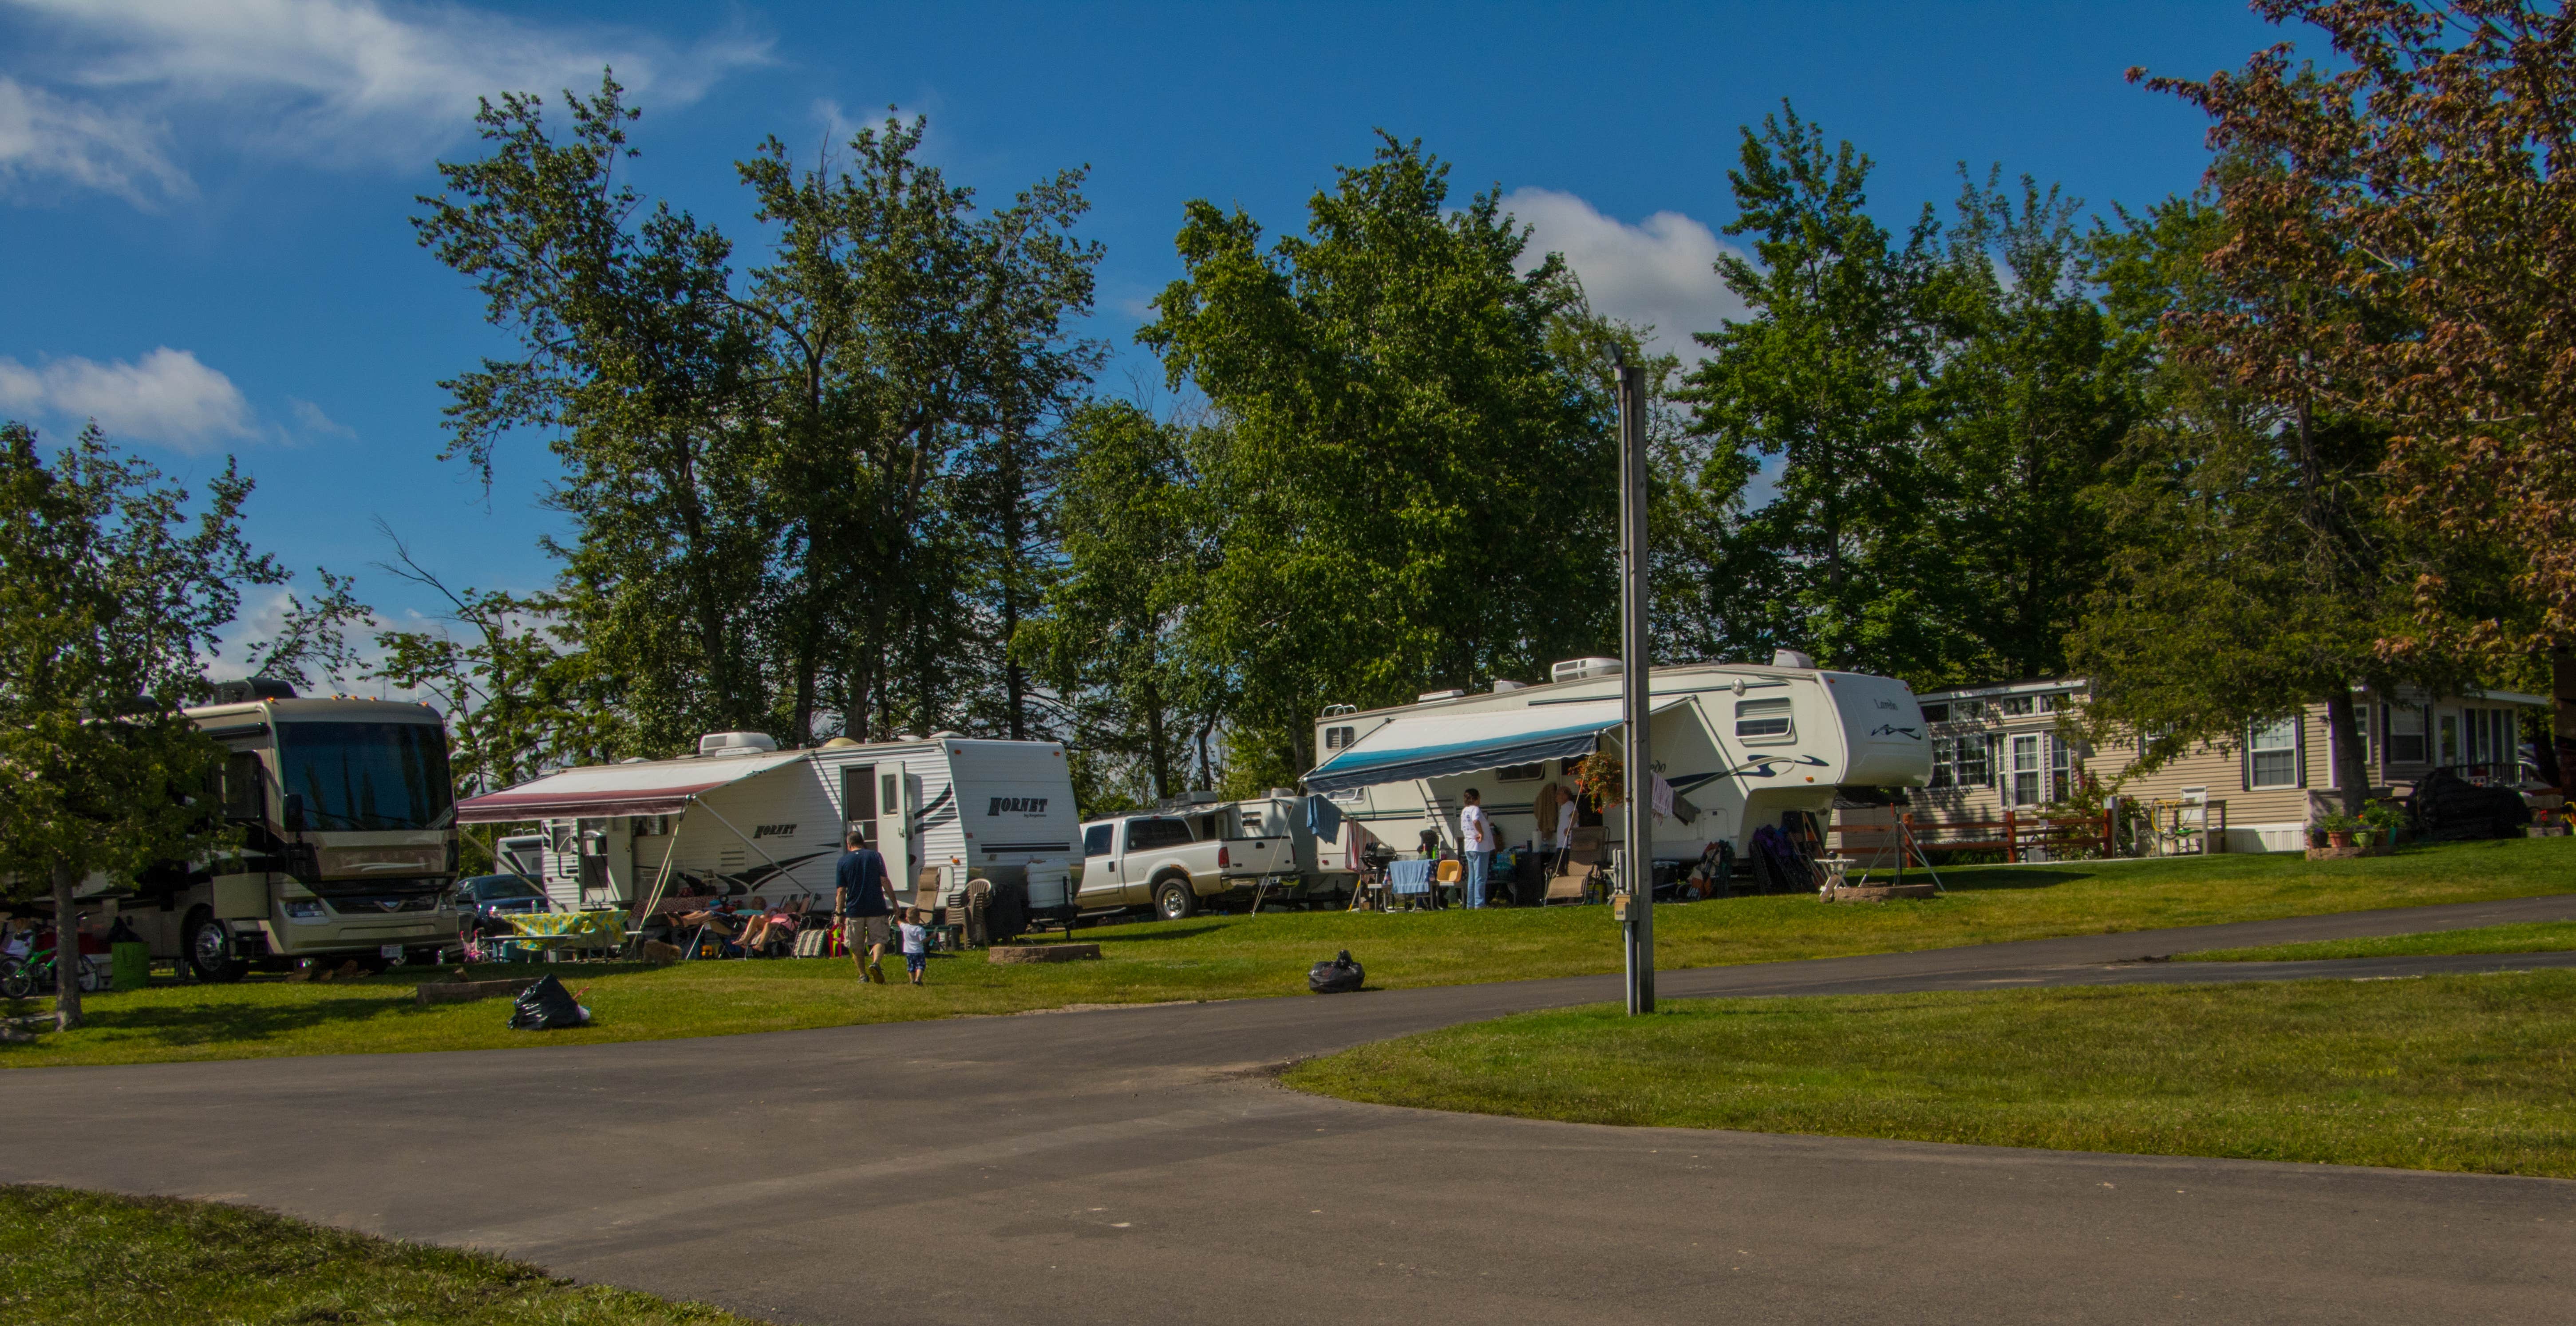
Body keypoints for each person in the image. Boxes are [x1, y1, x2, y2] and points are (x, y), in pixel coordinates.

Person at [835, 826, 894, 984]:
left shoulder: (843, 861)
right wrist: (894, 903)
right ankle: (875, 963)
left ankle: (862, 975)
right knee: (880, 939)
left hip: (855, 909)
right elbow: (884, 881)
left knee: (856, 945)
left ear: (849, 845)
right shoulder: (876, 856)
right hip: (876, 907)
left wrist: (839, 912)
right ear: (863, 843)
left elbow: (841, 890)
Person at [1458, 787, 1493, 909]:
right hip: (1479, 847)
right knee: (1481, 877)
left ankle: (1470, 904)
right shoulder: (1475, 809)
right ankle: (1480, 904)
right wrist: (1481, 833)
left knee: (1472, 877)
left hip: (1469, 846)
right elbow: (1475, 821)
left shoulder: (1464, 811)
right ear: (1476, 798)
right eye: (1479, 798)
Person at [897, 909, 930, 986]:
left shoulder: (905, 927)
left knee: (911, 966)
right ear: (919, 919)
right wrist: (932, 937)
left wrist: (897, 918)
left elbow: (899, 923)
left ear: (907, 919)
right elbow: (923, 940)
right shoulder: (920, 929)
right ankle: (918, 979)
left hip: (908, 952)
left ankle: (912, 980)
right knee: (920, 966)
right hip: (918, 951)